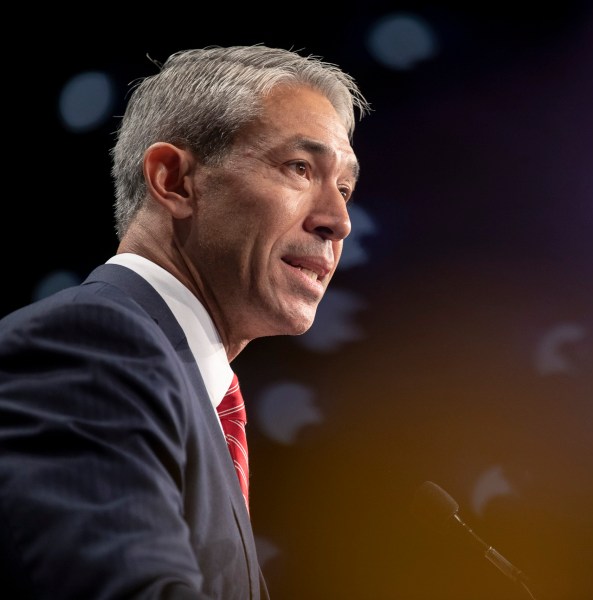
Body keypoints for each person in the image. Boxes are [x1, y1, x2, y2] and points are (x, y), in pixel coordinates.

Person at [0, 44, 370, 599]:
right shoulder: (91, 344)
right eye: (299, 168)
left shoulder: (187, 388)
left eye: (343, 188)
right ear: (173, 181)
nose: (338, 222)